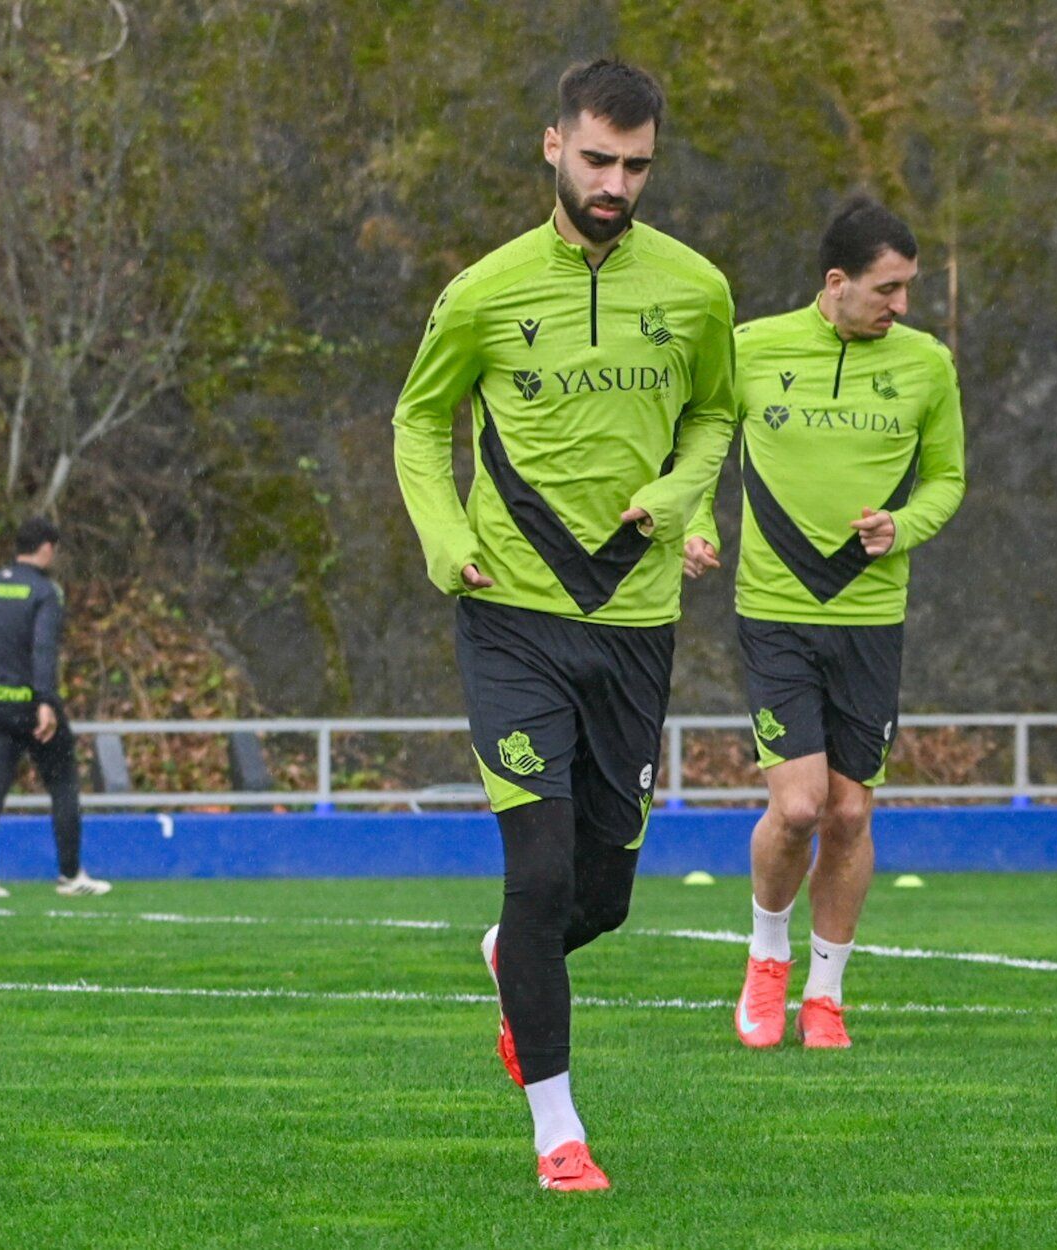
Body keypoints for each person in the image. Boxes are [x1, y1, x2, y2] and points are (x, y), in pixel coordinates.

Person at [391, 59, 736, 1191]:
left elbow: (716, 413)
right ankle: (558, 1130)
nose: (615, 183)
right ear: (553, 146)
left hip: (634, 622)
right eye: (597, 159)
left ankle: (510, 961)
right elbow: (418, 417)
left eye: (636, 166)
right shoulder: (484, 291)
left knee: (604, 896)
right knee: (537, 878)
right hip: (511, 617)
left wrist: (682, 493)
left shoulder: (696, 290)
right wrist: (443, 535)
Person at [685, 196, 967, 1050]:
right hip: (774, 614)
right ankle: (766, 959)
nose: (901, 306)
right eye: (887, 289)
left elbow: (947, 480)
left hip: (872, 620)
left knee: (850, 816)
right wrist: (698, 522)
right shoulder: (750, 350)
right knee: (801, 807)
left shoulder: (927, 366)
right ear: (836, 283)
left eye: (908, 288)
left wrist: (901, 526)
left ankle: (826, 994)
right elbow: (698, 447)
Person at [0, 516, 111, 899]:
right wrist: (45, 700)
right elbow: (43, 649)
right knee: (63, 785)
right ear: (46, 547)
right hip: (31, 707)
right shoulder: (45, 592)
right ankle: (71, 875)